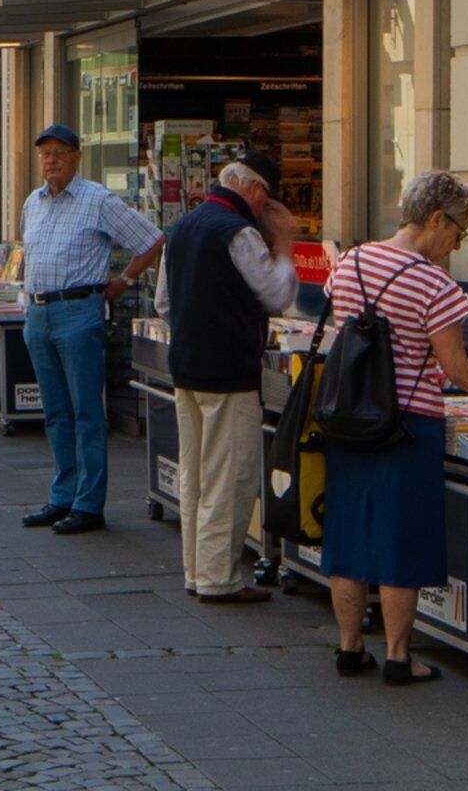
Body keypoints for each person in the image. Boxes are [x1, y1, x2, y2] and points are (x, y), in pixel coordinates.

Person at [317, 171, 468, 684]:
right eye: (458, 234)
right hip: (407, 424)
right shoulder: (433, 284)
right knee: (401, 539)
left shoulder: (351, 261)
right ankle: (398, 656)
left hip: (349, 417)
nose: (456, 246)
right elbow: (457, 369)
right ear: (436, 219)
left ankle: (350, 648)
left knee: (348, 535)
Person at [163, 152, 300, 602]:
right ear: (257, 190)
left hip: (187, 367)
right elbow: (277, 292)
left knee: (196, 475)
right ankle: (219, 578)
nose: (266, 212)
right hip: (228, 372)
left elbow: (165, 303)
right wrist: (283, 243)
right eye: (267, 204)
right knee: (228, 477)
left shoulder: (183, 225)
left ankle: (195, 570)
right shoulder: (238, 231)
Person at [15, 124, 161, 534]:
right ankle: (62, 495)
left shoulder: (96, 199)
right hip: (39, 313)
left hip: (79, 311)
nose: (51, 160)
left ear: (77, 157)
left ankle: (89, 503)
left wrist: (124, 280)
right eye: (45, 153)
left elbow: (150, 239)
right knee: (56, 412)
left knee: (86, 410)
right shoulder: (33, 202)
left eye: (60, 152)